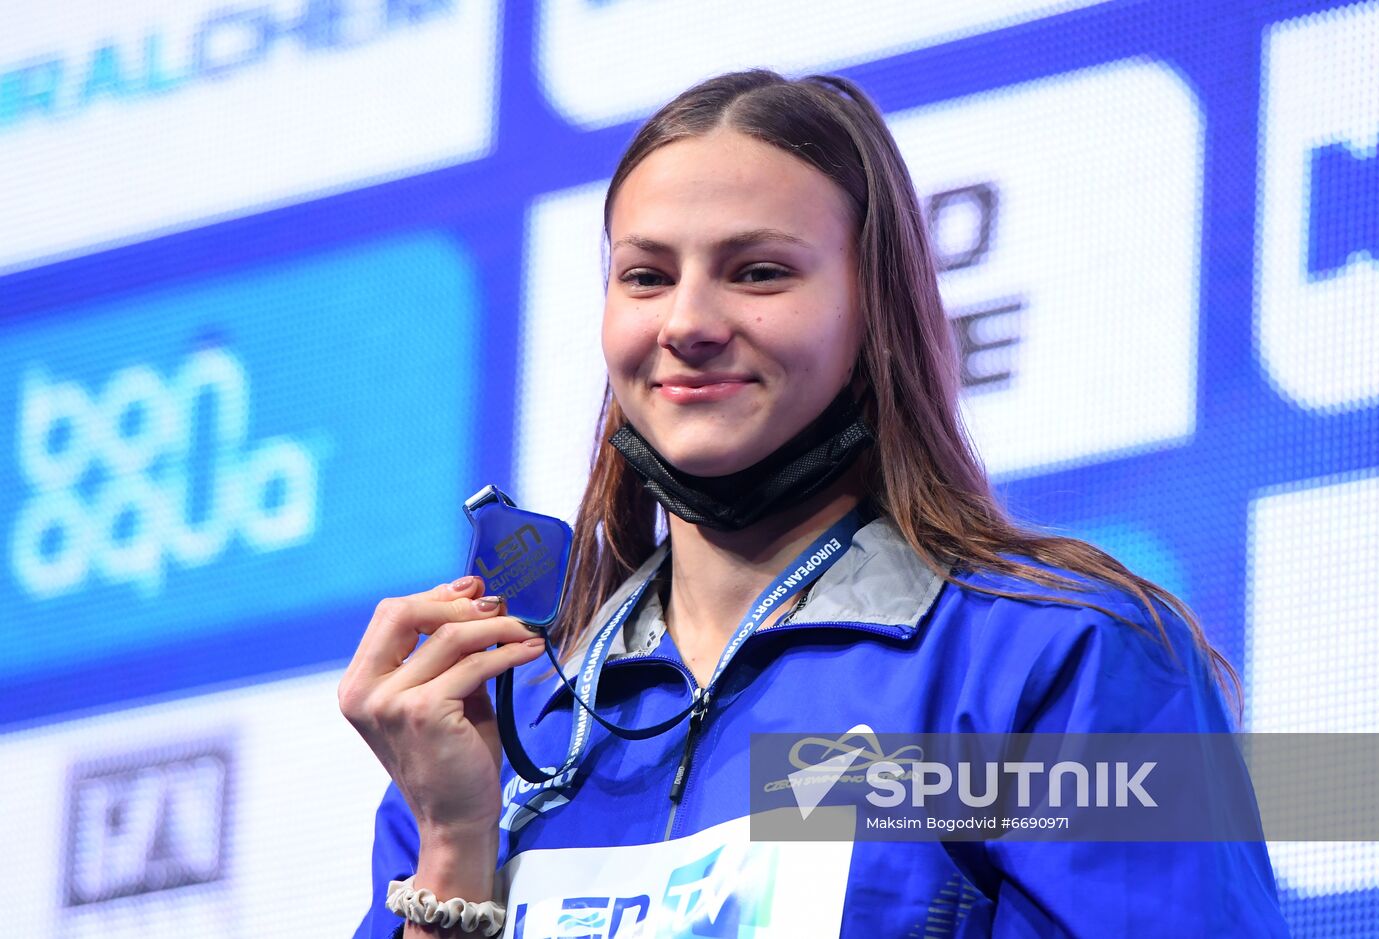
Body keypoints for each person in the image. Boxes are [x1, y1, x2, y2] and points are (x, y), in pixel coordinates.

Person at [339, 69, 1288, 937]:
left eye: (759, 272)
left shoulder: (1057, 655)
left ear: (875, 309)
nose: (689, 324)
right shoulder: (495, 725)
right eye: (647, 275)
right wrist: (455, 845)